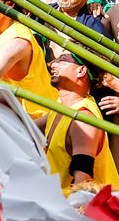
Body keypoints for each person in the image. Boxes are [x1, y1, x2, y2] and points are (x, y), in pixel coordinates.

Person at [46, 52, 119, 191]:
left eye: (62, 60)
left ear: (81, 71)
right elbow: (25, 126)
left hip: (81, 208)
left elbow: (82, 182)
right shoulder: (61, 107)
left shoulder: (84, 118)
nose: (51, 64)